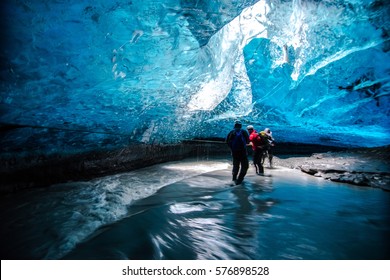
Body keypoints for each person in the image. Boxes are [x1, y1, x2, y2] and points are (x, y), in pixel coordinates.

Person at [226, 120, 250, 184]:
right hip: (243, 152)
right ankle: (240, 179)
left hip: (234, 152)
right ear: (241, 126)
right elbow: (248, 141)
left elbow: (227, 142)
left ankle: (234, 179)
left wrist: (232, 149)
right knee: (245, 166)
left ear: (234, 126)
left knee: (236, 165)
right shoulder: (244, 132)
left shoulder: (231, 132)